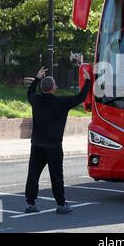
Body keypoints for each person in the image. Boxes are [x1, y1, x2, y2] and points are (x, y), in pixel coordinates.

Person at [24, 66, 91, 214]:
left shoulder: (36, 100)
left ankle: (30, 203)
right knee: (56, 175)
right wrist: (87, 81)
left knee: (33, 174)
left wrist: (37, 78)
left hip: (37, 144)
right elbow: (80, 98)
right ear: (53, 88)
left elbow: (30, 92)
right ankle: (60, 204)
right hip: (53, 145)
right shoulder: (60, 102)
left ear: (42, 88)